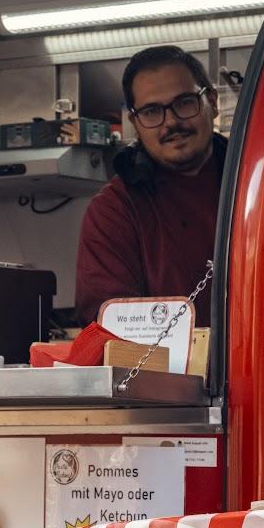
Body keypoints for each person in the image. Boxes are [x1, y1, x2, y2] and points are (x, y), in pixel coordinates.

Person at [75, 45, 226, 326]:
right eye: (152, 111)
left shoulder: (260, 186)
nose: (171, 122)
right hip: (163, 371)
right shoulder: (114, 212)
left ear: (212, 102)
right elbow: (109, 330)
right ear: (135, 122)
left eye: (184, 102)